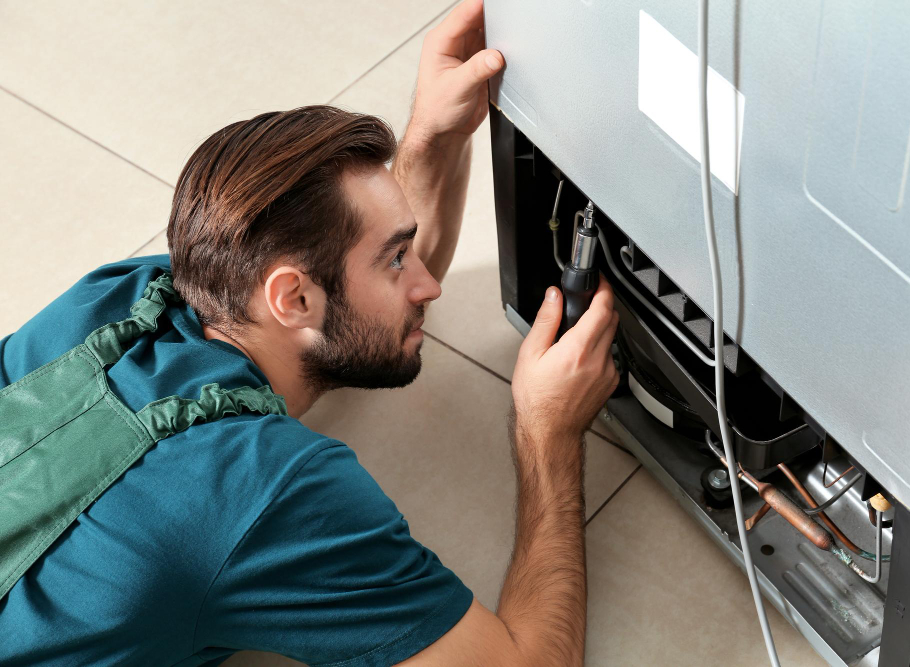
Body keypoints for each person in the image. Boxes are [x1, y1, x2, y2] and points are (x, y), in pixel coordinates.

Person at [0, 0, 619, 664]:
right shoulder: (268, 493)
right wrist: (548, 432)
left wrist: (433, 138)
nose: (429, 287)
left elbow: (358, 313)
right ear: (292, 298)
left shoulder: (125, 293)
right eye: (396, 259)